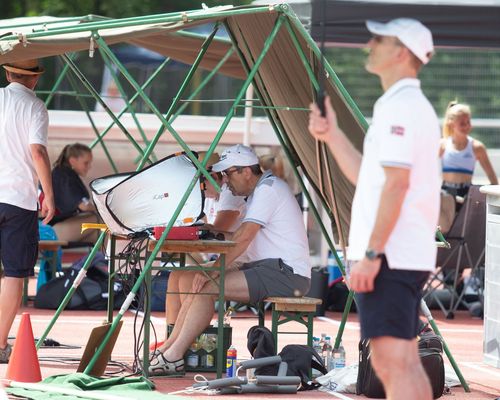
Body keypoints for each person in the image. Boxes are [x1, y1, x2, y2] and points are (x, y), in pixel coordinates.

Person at [308, 19, 440, 400]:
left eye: (378, 39)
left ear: (401, 52)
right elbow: (370, 178)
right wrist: (331, 133)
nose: (369, 44)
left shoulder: (401, 107)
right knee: (400, 361)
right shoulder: (400, 105)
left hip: (391, 255)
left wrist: (371, 254)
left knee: (392, 362)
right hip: (398, 253)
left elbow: (397, 186)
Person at [149, 144, 311, 376]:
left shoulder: (268, 189)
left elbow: (243, 238)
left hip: (286, 274)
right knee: (198, 278)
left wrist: (216, 269)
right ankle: (169, 349)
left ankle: (173, 355)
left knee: (206, 285)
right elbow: (239, 237)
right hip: (270, 267)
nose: (225, 179)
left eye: (228, 173)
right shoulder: (261, 191)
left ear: (246, 171)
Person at [0, 59, 55, 363]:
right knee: (14, 274)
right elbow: (37, 151)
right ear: (35, 79)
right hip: (18, 199)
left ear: (8, 73)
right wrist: (48, 192)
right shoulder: (35, 107)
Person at [162, 152, 246, 337]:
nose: (199, 188)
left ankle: (190, 342)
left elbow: (216, 231)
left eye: (201, 183)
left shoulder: (229, 194)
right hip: (231, 257)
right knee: (176, 275)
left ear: (214, 177)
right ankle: (171, 336)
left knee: (188, 279)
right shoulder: (211, 197)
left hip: (242, 258)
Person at [440, 101, 498, 199]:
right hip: (445, 194)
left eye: (468, 122)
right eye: (462, 123)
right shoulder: (442, 145)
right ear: (451, 123)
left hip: (466, 196)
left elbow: (492, 177)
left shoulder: (477, 147)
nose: (466, 126)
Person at [49, 143, 98, 242]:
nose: (89, 166)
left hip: (55, 227)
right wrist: (103, 211)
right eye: (86, 163)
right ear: (72, 161)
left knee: (100, 234)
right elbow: (84, 206)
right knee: (101, 219)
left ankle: (105, 257)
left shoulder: (65, 173)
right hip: (51, 230)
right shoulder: (65, 176)